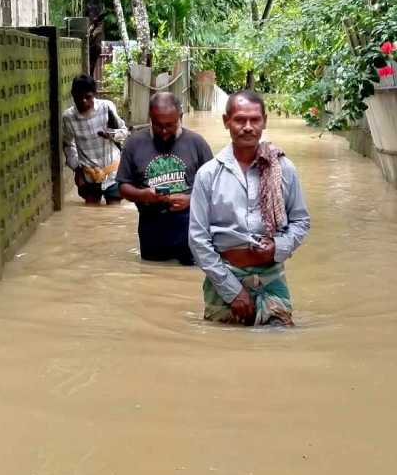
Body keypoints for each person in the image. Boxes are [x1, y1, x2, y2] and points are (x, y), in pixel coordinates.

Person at [189, 90, 311, 326]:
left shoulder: (283, 169)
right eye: (239, 120)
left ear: (264, 121)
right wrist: (232, 291)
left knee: (279, 344)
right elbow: (197, 240)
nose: (247, 127)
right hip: (223, 276)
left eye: (254, 120)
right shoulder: (208, 174)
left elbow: (301, 222)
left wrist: (278, 246)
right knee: (223, 350)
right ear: (227, 122)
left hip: (271, 277)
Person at [117, 92, 213, 265]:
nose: (163, 132)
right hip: (151, 230)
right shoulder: (134, 143)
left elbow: (217, 189)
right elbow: (123, 186)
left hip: (191, 231)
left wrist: (190, 200)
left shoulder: (197, 144)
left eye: (169, 125)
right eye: (157, 125)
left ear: (180, 117)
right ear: (150, 118)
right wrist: (144, 195)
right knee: (152, 278)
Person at [62, 75, 129, 204]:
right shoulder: (68, 117)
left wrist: (111, 135)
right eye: (78, 98)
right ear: (72, 95)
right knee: (90, 211)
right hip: (88, 175)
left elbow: (124, 132)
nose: (83, 101)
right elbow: (68, 145)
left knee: (114, 212)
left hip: (113, 172)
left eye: (88, 97)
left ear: (94, 94)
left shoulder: (107, 107)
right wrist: (77, 169)